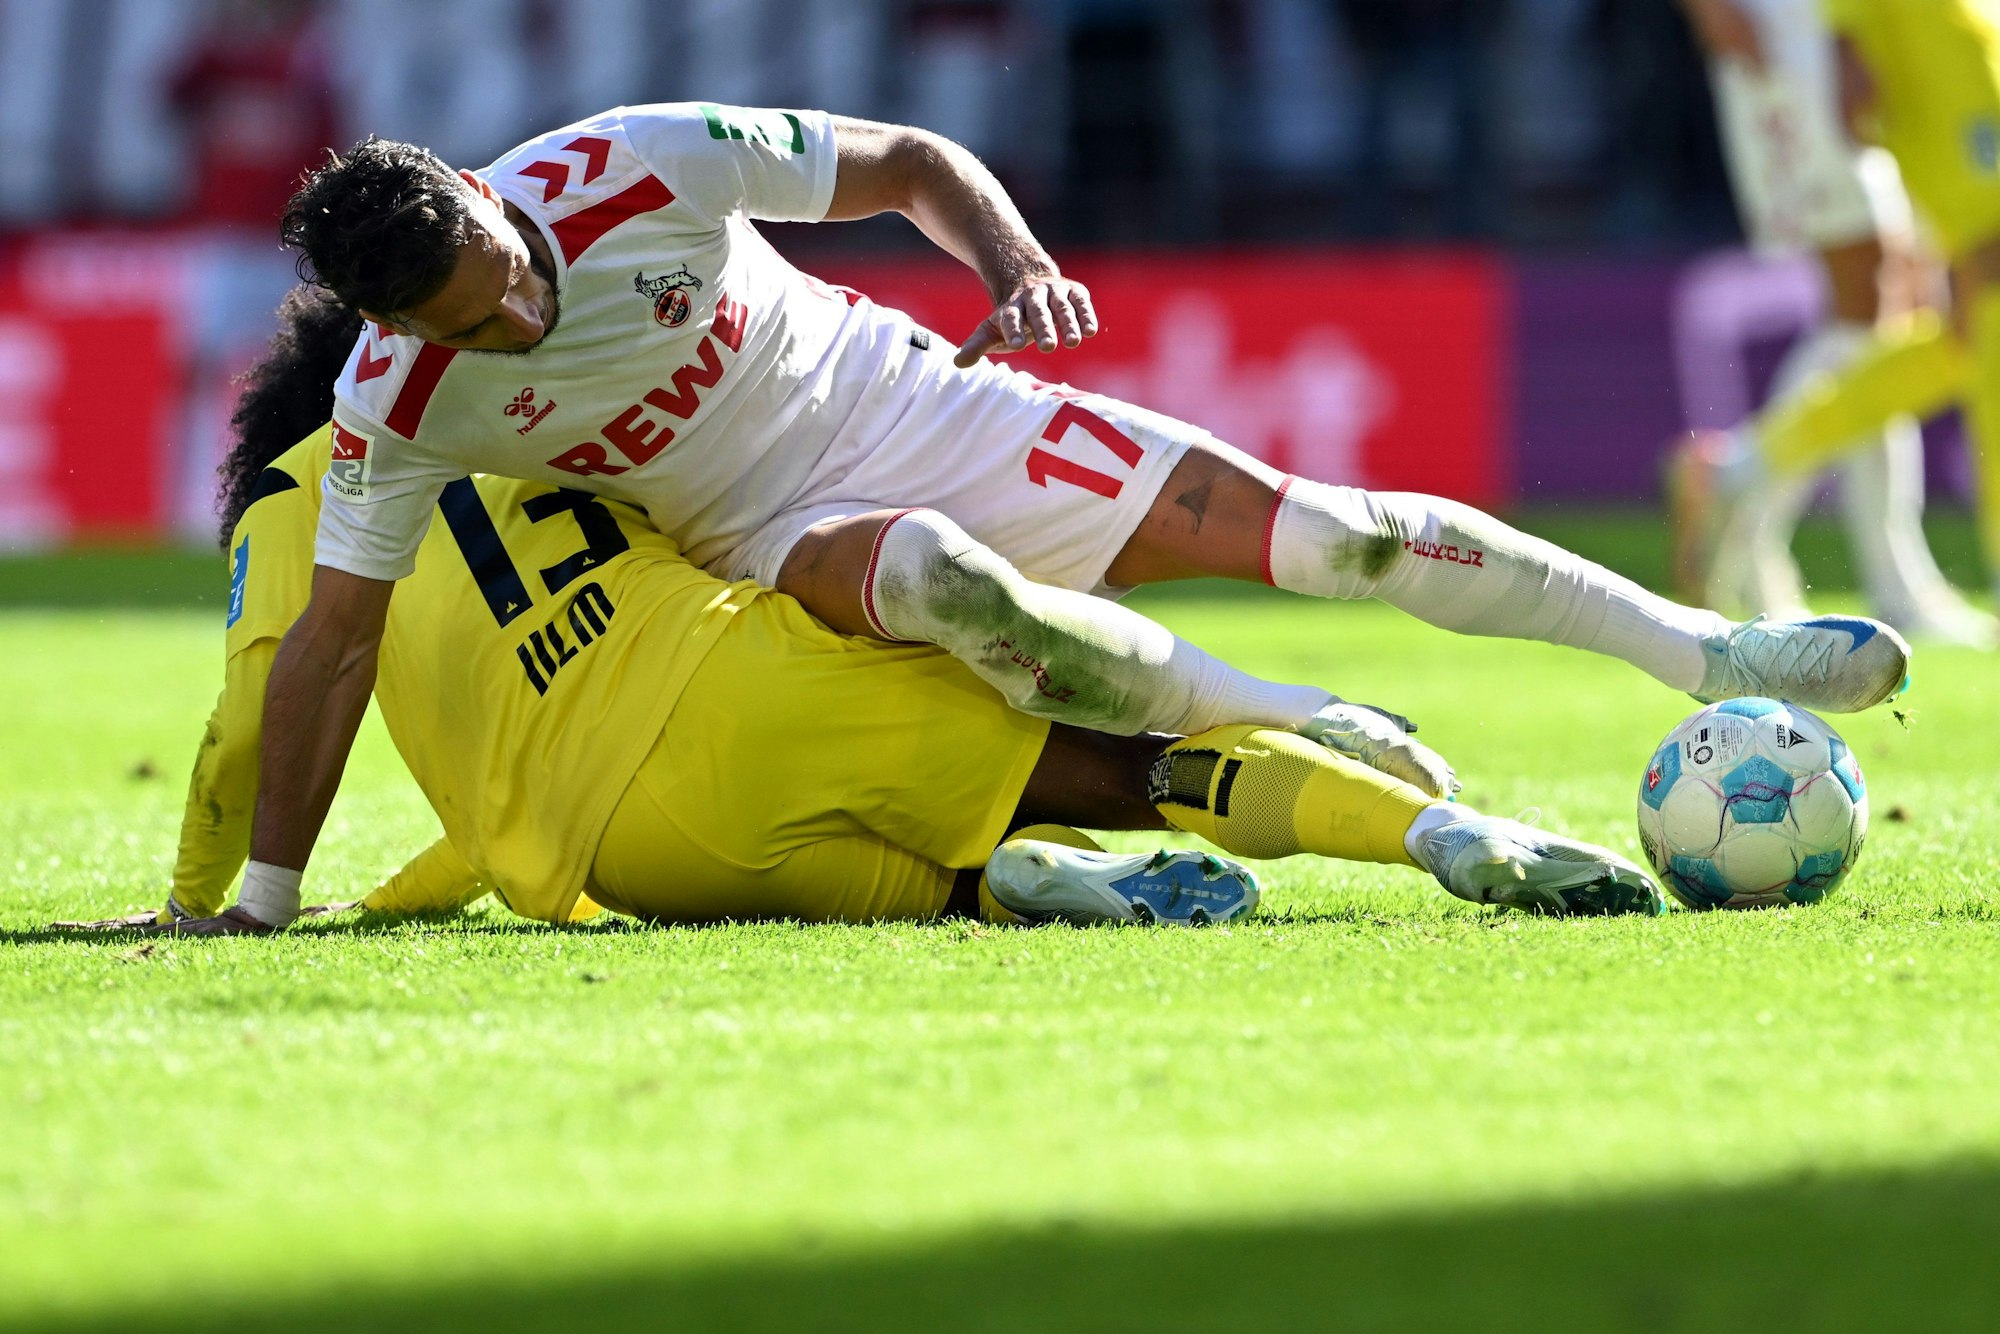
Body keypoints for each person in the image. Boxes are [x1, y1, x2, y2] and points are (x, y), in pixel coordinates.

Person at [232, 102, 1904, 932]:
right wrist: (257, 901)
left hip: (919, 399)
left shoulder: (640, 164)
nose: (523, 310)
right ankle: (1299, 719)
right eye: (480, 320)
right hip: (770, 527)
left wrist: (1016, 263)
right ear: (405, 326)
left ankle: (1708, 649)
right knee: (951, 586)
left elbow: (908, 163)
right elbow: (332, 640)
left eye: (511, 268)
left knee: (1339, 538)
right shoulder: (397, 401)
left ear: (483, 192)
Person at [96, 287, 1663, 934]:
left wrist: (210, 903)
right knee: (1142, 764)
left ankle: (1011, 886)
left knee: (937, 885)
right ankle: (1430, 830)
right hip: (748, 685)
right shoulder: (532, 425)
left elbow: (250, 730)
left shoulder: (310, 499)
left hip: (627, 858)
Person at [1670, 0, 1994, 645]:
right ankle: (1855, 570)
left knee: (1919, 298)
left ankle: (1744, 489)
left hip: (1889, 32)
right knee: (1869, 287)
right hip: (1798, 35)